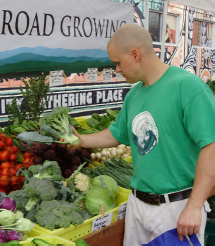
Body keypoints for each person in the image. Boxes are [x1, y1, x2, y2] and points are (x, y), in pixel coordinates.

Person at [62, 23, 215, 245]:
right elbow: (117, 134)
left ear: (135, 54)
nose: (117, 70)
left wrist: (194, 206)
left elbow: (211, 145)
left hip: (177, 209)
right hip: (137, 206)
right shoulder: (134, 95)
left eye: (118, 63)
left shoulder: (187, 86)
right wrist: (81, 141)